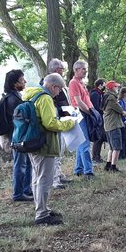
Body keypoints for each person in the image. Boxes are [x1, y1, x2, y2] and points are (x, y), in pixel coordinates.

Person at [22, 73, 75, 225]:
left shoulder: (32, 95)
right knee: (45, 180)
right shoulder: (45, 98)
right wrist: (69, 123)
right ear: (53, 87)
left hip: (33, 142)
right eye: (59, 89)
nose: (59, 93)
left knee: (37, 178)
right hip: (45, 143)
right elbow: (50, 123)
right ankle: (42, 215)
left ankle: (42, 208)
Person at [0, 70, 33, 201]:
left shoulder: (13, 97)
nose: (25, 82)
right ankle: (18, 194)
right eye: (22, 80)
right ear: (15, 83)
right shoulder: (13, 100)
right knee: (20, 165)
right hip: (17, 138)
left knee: (27, 163)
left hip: (19, 136)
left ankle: (26, 189)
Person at [46, 58, 73, 189]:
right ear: (57, 70)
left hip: (62, 120)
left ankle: (59, 174)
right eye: (62, 69)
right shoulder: (49, 84)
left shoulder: (59, 84)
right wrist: (64, 112)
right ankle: (55, 180)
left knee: (60, 151)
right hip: (56, 121)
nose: (63, 72)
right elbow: (55, 104)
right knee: (56, 152)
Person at [67, 60, 95, 178]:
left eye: (85, 68)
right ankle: (88, 171)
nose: (85, 71)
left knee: (81, 142)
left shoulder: (81, 83)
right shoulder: (73, 83)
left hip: (85, 113)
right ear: (76, 70)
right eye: (83, 68)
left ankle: (78, 169)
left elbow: (86, 99)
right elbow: (78, 102)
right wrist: (90, 112)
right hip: (80, 114)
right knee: (84, 142)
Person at [101, 80, 126, 172]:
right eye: (116, 87)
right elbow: (120, 110)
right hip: (113, 125)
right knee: (117, 147)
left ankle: (108, 166)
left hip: (108, 125)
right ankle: (113, 167)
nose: (118, 88)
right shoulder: (111, 98)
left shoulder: (106, 96)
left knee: (112, 148)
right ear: (112, 88)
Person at [89, 78, 106, 163]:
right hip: (97, 119)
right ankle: (95, 157)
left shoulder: (100, 93)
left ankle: (98, 156)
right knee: (97, 138)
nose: (105, 86)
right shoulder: (95, 94)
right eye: (104, 84)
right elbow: (95, 107)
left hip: (100, 118)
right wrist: (103, 110)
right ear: (100, 85)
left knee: (101, 138)